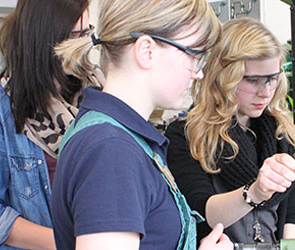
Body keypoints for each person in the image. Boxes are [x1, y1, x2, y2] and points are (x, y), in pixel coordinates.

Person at [51, 0, 232, 249]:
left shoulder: (112, 136)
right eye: (194, 55)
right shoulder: (112, 151)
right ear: (147, 51)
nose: (198, 72)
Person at [0, 0, 102, 249]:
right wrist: (69, 244)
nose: (85, 44)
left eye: (87, 33)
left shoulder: (99, 94)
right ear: (45, 38)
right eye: (75, 35)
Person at [165, 18, 295, 244]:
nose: (265, 92)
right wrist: (256, 192)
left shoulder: (279, 132)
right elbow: (202, 212)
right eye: (252, 80)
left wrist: (291, 244)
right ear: (223, 77)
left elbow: (291, 212)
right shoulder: (186, 134)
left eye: (272, 79)